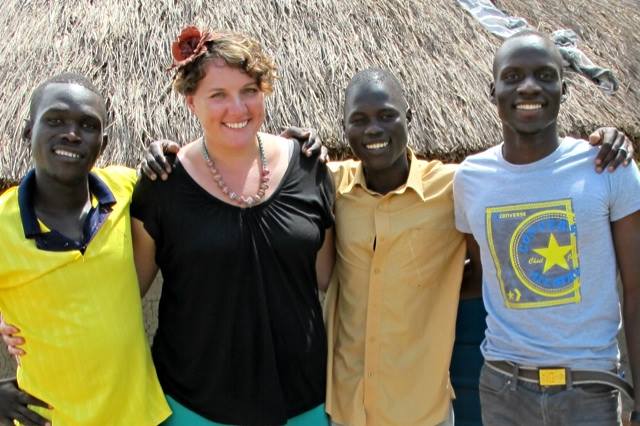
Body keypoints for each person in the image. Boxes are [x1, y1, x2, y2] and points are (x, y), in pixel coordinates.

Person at [138, 65, 633, 426]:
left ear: (409, 117)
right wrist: (163, 153)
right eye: (360, 119)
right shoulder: (327, 183)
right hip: (342, 408)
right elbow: (268, 176)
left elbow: (520, 192)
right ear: (344, 128)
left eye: (387, 116)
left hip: (421, 411)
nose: (374, 130)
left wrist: (607, 142)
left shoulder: (455, 187)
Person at [129, 27, 335, 425]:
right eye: (218, 95)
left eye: (249, 91)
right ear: (191, 101)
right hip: (194, 407)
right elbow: (121, 292)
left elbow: (331, 276)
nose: (237, 108)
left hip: (303, 402)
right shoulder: (162, 185)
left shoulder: (310, 169)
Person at [453, 30, 640, 426]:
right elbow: (483, 272)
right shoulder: (470, 179)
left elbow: (636, 289)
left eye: (544, 75)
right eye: (513, 76)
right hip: (504, 387)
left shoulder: (608, 167)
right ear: (492, 91)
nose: (528, 86)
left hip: (590, 390)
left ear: (564, 89)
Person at [0, 73, 170, 425]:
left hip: (139, 416)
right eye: (55, 120)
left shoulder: (127, 189)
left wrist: (163, 152)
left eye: (88, 125)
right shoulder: (3, 224)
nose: (72, 134)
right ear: (28, 131)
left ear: (103, 143)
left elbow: (195, 181)